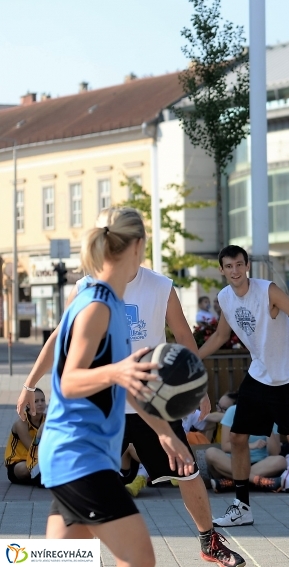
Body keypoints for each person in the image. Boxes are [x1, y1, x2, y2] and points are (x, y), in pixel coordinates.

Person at [19, 225, 244, 567]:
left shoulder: (148, 289)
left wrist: (170, 427)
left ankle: (208, 539)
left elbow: (156, 357)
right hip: (84, 437)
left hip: (126, 413)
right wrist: (31, 383)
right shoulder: (92, 297)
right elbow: (71, 373)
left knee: (64, 554)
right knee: (129, 556)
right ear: (136, 246)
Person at [36, 207, 195, 567]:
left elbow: (125, 383)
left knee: (60, 560)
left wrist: (164, 433)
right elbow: (69, 380)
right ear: (138, 246)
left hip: (76, 456)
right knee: (140, 559)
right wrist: (116, 373)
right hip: (80, 457)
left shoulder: (110, 303)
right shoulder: (96, 305)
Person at [198, 245, 289, 534]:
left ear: (247, 265)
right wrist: (193, 356)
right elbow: (222, 335)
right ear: (222, 270)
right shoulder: (225, 298)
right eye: (229, 266)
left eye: (239, 264)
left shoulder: (267, 291)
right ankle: (242, 508)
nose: (235, 271)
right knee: (237, 437)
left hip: (288, 373)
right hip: (259, 372)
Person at [204, 399, 286, 492]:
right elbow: (225, 446)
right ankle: (256, 480)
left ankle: (231, 482)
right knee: (211, 453)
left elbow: (275, 452)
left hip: (259, 464)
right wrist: (251, 446)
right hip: (233, 462)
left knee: (281, 461)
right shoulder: (233, 411)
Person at [5, 387, 46, 485]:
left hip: (39, 460)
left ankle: (42, 477)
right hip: (19, 462)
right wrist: (39, 434)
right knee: (27, 469)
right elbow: (32, 449)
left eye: (42, 400)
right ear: (28, 404)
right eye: (36, 401)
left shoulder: (48, 419)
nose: (40, 403)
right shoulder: (21, 423)